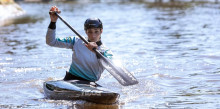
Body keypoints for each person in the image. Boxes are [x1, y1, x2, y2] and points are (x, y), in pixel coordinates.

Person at [46, 6, 112, 82]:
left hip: (90, 83)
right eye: (90, 32)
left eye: (96, 31)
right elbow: (51, 42)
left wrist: (96, 52)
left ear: (101, 31)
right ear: (85, 31)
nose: (93, 35)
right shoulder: (75, 41)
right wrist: (53, 22)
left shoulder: (106, 51)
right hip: (70, 79)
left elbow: (111, 65)